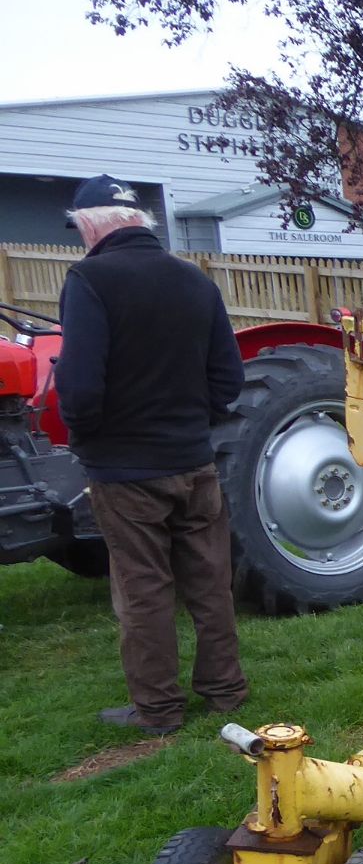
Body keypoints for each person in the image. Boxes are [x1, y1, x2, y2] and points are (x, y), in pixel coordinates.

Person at [55, 173, 249, 736]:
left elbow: (81, 384)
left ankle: (158, 709)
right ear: (140, 222)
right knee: (210, 581)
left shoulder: (89, 280)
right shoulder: (193, 280)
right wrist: (195, 424)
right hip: (194, 462)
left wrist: (87, 436)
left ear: (90, 225)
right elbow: (227, 376)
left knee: (142, 588)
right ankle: (225, 691)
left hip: (125, 469)